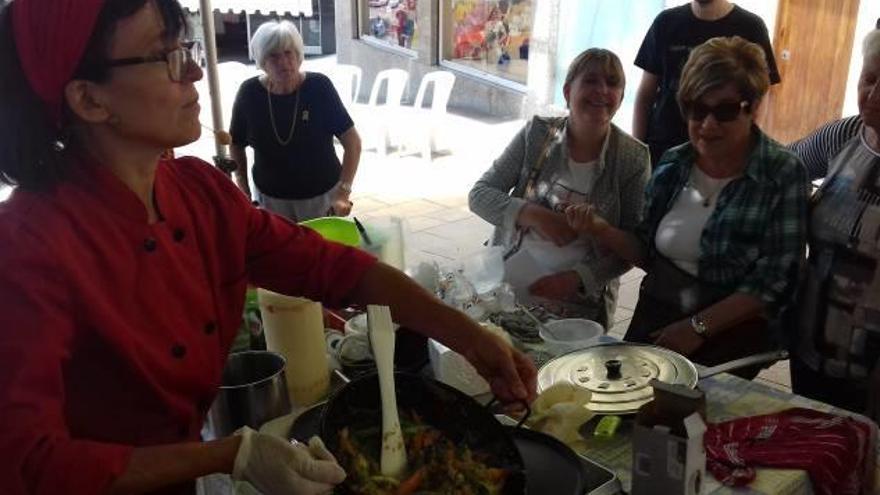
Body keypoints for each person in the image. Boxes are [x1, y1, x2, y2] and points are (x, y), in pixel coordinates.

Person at [0, 1, 536, 494]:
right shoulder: (29, 246)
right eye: (167, 56)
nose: (194, 70)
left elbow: (337, 269)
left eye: (186, 50)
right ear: (89, 98)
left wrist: (468, 336)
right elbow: (29, 462)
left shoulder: (198, 191)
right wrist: (230, 454)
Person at [567, 37, 807, 373]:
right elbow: (647, 251)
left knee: (690, 421)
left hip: (732, 334)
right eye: (697, 109)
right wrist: (600, 229)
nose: (708, 125)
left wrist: (696, 328)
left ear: (752, 108)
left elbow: (776, 280)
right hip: (660, 316)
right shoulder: (674, 163)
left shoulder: (781, 173)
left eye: (724, 111)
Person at [469, 48, 650, 326]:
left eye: (612, 83)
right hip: (509, 285)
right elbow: (479, 195)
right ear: (567, 92)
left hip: (579, 303)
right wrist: (536, 215)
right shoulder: (538, 134)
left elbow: (634, 249)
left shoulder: (632, 158)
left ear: (622, 98)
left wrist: (578, 279)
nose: (602, 90)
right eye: (590, 80)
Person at [788, 29, 880, 420]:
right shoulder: (841, 135)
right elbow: (780, 169)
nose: (874, 96)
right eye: (869, 79)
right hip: (812, 341)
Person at [229, 20, 360, 222]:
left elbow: (353, 143)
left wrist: (343, 192)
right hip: (270, 201)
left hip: (322, 199)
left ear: (298, 55)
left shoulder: (319, 88)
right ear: (262, 61)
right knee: (279, 253)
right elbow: (235, 143)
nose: (283, 62)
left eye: (288, 53)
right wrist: (243, 190)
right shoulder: (249, 94)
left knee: (320, 252)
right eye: (274, 55)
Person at [633, 0, 780, 167]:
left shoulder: (751, 27)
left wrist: (748, 148)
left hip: (725, 151)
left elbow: (762, 94)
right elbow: (646, 94)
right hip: (663, 150)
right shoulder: (666, 22)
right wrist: (639, 150)